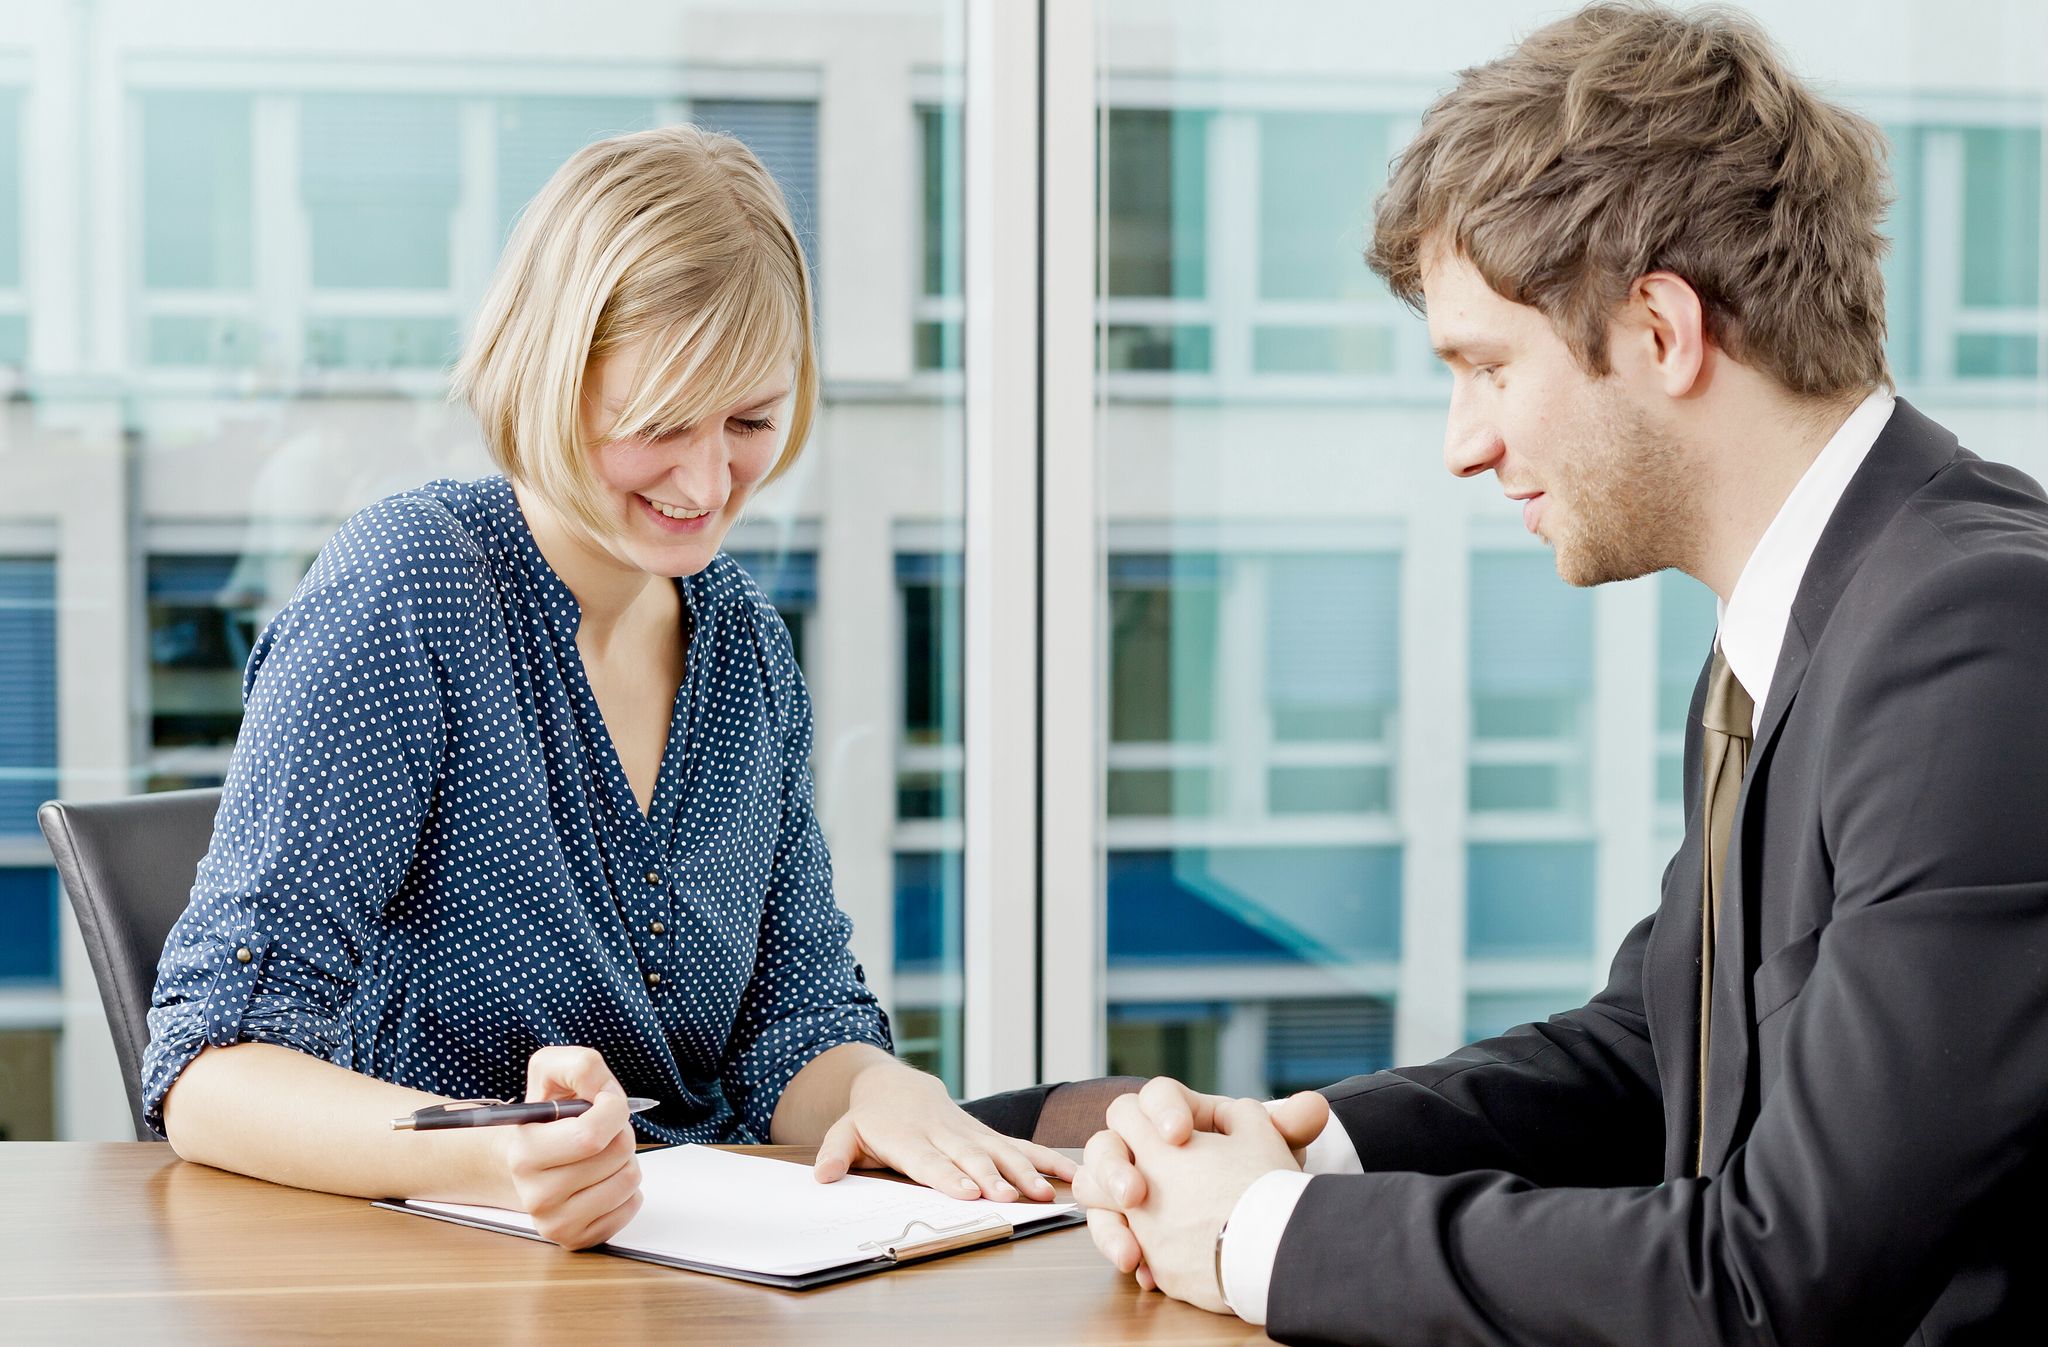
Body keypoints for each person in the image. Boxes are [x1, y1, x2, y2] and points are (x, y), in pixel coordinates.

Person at [1072, 4, 2048, 1342]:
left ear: (1659, 329)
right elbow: (1660, 1053)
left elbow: (1779, 1272)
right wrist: (1316, 1140)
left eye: (1485, 366)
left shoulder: (1976, 634)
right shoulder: (1825, 613)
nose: (1463, 443)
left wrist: (1260, 1238)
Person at [144, 124, 1071, 1250]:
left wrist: (879, 1086)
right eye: (658, 425)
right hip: (419, 1277)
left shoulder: (743, 646)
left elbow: (791, 1024)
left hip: (695, 1269)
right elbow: (206, 1068)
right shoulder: (411, 593)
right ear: (550, 380)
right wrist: (499, 1156)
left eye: (749, 423)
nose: (705, 479)